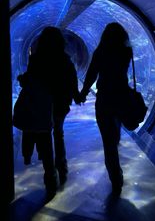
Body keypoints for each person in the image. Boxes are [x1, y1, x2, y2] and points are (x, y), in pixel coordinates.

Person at [17, 26, 80, 201]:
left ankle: (50, 177)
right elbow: (73, 82)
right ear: (61, 41)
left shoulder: (36, 59)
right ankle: (63, 168)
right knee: (58, 134)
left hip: (41, 106)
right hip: (60, 105)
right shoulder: (65, 60)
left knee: (45, 139)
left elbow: (29, 81)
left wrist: (22, 80)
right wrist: (77, 96)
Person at [79, 22, 133, 195]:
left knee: (108, 142)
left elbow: (91, 74)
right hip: (121, 98)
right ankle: (117, 172)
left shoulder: (100, 52)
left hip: (104, 99)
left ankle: (115, 178)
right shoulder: (127, 52)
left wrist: (83, 93)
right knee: (115, 135)